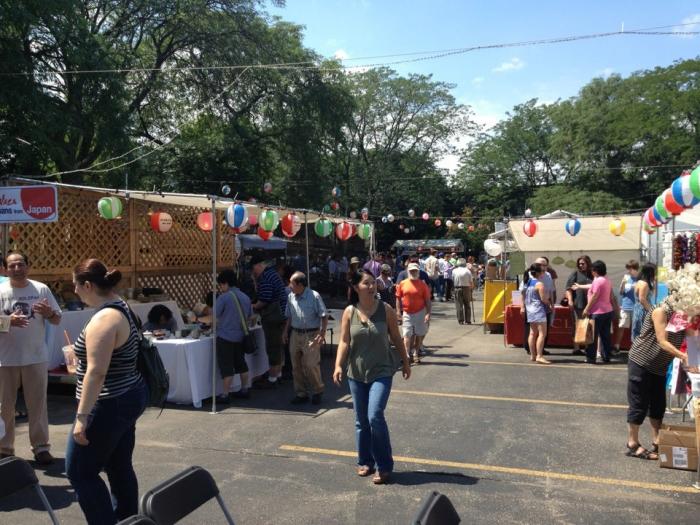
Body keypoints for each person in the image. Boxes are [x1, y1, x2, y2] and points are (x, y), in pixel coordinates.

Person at [66, 259, 148, 524]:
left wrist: (82, 417)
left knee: (80, 472)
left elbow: (97, 372)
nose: (75, 291)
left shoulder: (105, 318)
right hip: (128, 394)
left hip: (109, 402)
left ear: (88, 285)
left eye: (76, 285)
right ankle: (128, 519)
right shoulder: (122, 306)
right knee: (118, 465)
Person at [333, 269, 410, 484]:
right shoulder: (349, 312)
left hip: (382, 371)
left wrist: (405, 362)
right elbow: (344, 341)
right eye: (366, 283)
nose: (371, 286)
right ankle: (365, 461)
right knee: (361, 421)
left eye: (372, 283)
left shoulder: (385, 310)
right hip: (356, 373)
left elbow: (396, 337)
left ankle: (384, 466)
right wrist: (338, 365)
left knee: (374, 416)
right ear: (356, 287)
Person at [0, 253, 61, 464]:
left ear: (28, 266)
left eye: (21, 264)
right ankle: (4, 449)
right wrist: (8, 322)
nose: (17, 269)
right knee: (4, 407)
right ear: (5, 269)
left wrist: (49, 313)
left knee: (37, 405)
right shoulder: (1, 291)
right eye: (12, 265)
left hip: (35, 357)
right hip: (5, 359)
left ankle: (41, 447)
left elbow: (57, 319)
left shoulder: (41, 289)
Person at [625, 297, 687, 460]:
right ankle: (632, 444)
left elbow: (688, 336)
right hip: (641, 362)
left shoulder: (680, 314)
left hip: (659, 366)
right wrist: (683, 356)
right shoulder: (661, 311)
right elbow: (662, 341)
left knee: (658, 405)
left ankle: (657, 440)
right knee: (639, 403)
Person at [283, 272, 328, 405]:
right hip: (295, 334)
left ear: (300, 284)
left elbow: (324, 315)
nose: (289, 286)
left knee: (310, 365)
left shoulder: (314, 296)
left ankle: (318, 390)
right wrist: (285, 332)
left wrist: (322, 333)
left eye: (292, 283)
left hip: (311, 334)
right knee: (296, 366)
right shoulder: (290, 296)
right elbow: (289, 316)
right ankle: (301, 393)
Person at [214, 269, 253, 404]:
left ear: (225, 283)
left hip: (225, 337)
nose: (220, 287)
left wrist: (197, 319)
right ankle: (244, 389)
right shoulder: (245, 297)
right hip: (240, 336)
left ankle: (225, 394)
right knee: (241, 364)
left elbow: (214, 316)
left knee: (227, 367)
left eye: (220, 284)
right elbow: (250, 316)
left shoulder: (224, 297)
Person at [250, 254, 288, 388]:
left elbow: (264, 299)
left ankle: (272, 379)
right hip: (281, 314)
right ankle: (278, 374)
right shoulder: (272, 274)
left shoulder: (265, 277)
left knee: (273, 347)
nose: (253, 272)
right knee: (278, 346)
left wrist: (253, 306)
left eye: (253, 269)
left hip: (273, 316)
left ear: (258, 266)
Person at [579, 260, 617, 364]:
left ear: (595, 270)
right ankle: (606, 356)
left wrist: (586, 309)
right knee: (605, 336)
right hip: (607, 310)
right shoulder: (607, 280)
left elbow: (594, 296)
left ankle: (591, 358)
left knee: (592, 336)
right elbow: (611, 296)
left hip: (597, 312)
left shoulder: (597, 281)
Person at [395, 263, 431, 364]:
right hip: (407, 312)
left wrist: (428, 313)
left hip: (420, 312)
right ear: (408, 271)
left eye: (415, 270)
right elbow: (398, 298)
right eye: (411, 271)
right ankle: (406, 355)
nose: (413, 272)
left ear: (418, 271)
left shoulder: (423, 285)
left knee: (419, 334)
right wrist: (398, 311)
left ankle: (415, 353)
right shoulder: (403, 283)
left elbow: (427, 300)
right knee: (407, 334)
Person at [521, 263, 551, 364]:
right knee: (542, 334)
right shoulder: (539, 284)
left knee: (532, 333)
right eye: (542, 271)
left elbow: (523, 295)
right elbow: (544, 299)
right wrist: (549, 303)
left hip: (530, 310)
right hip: (538, 310)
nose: (544, 273)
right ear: (538, 273)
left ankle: (533, 355)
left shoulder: (528, 282)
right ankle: (539, 355)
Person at [566, 255, 593, 355]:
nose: (581, 265)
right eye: (579, 264)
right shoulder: (575, 273)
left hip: (591, 304)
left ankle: (587, 347)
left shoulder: (593, 274)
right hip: (578, 304)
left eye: (583, 263)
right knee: (577, 325)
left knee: (589, 326)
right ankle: (576, 348)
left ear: (588, 263)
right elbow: (568, 288)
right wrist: (570, 300)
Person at [615, 260, 639, 352]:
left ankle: (634, 348)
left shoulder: (640, 279)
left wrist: (636, 287)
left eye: (630, 269)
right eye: (628, 269)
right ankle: (617, 346)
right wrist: (623, 284)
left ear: (635, 269)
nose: (628, 271)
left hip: (636, 306)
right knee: (621, 326)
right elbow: (621, 292)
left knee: (635, 328)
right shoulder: (626, 277)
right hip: (625, 306)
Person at [631, 263, 656, 341]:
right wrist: (652, 311)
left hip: (638, 309)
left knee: (637, 334)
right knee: (643, 334)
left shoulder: (640, 282)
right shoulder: (644, 284)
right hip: (643, 311)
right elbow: (642, 299)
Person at [451, 258, 473, 324]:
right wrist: (471, 289)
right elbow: (471, 282)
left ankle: (461, 320)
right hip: (466, 288)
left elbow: (453, 279)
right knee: (467, 304)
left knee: (459, 304)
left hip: (457, 288)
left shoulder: (454, 271)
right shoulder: (468, 271)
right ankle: (468, 320)